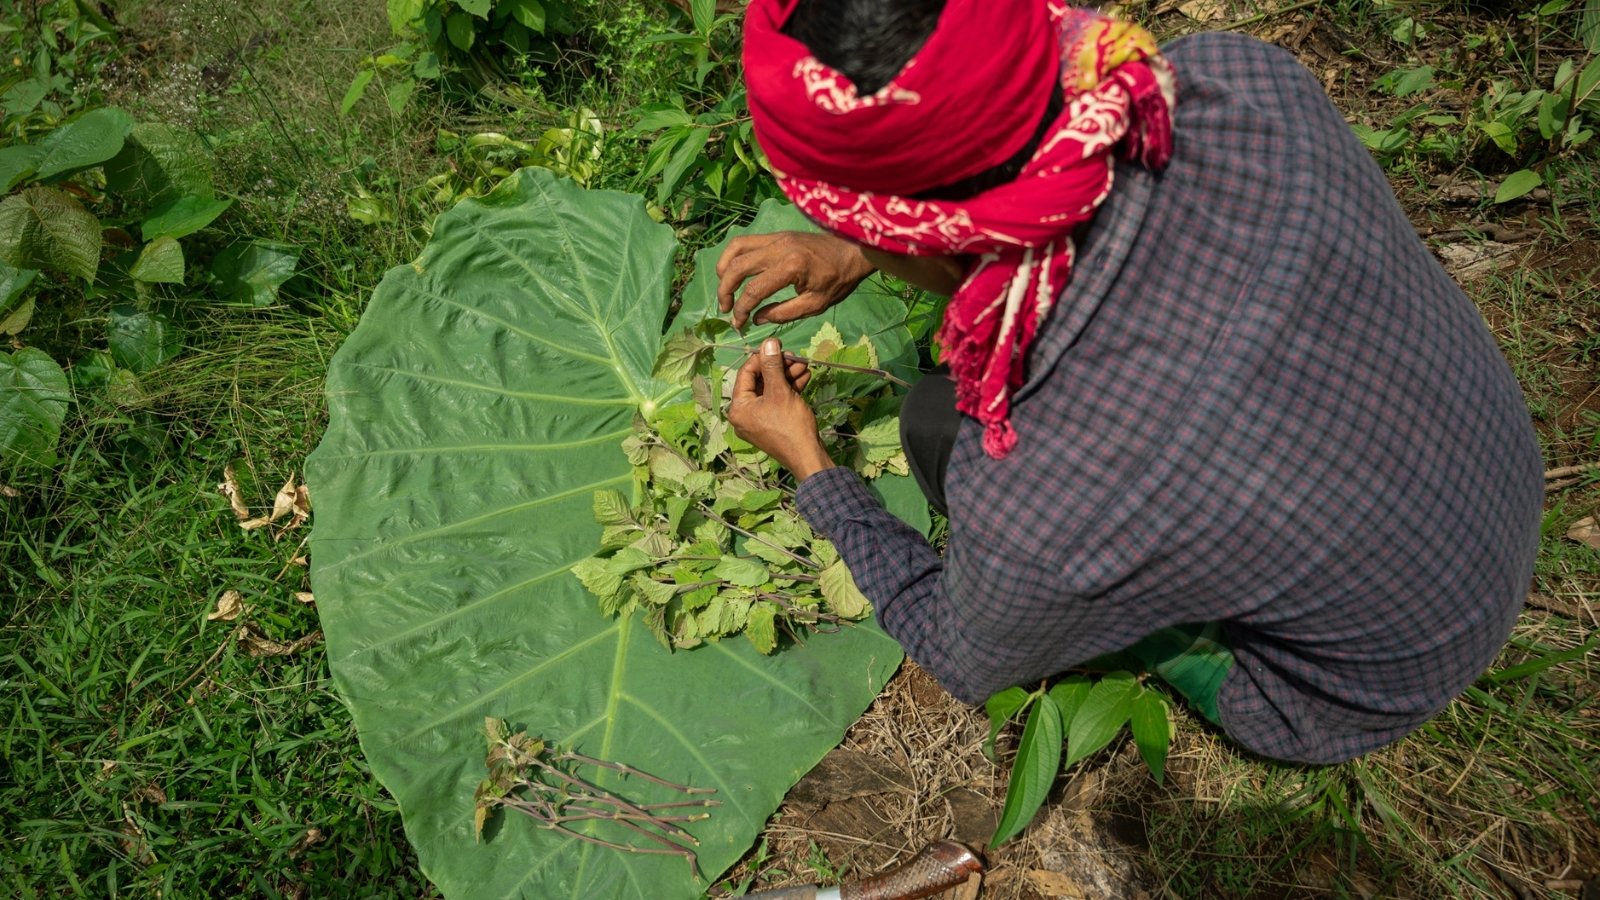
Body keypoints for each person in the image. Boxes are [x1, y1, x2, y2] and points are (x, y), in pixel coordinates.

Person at [720, 0, 1544, 764]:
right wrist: (866, 243)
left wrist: (810, 464)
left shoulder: (1048, 491)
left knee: (933, 425)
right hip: (1487, 473)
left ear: (916, 236)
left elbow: (960, 652)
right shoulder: (1235, 80)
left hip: (1364, 687)